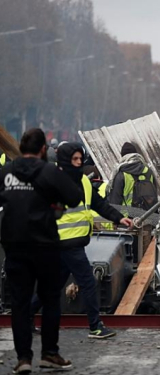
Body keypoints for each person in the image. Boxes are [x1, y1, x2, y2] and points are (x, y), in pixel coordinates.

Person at [31, 143, 133, 342]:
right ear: (65, 160)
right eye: (75, 159)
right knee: (88, 282)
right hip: (65, 244)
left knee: (53, 285)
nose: (79, 163)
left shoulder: (84, 182)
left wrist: (119, 218)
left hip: (72, 243)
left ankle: (26, 316)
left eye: (80, 159)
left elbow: (99, 204)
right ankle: (95, 326)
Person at [0, 129, 82, 373]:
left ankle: (23, 358)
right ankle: (49, 353)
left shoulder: (6, 173)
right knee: (49, 299)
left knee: (19, 304)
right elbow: (74, 198)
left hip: (13, 245)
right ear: (43, 149)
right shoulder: (48, 172)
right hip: (44, 244)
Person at [107, 142, 157, 209]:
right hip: (148, 215)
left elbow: (115, 201)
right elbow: (154, 194)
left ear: (123, 156)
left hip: (128, 216)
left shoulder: (121, 174)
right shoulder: (148, 171)